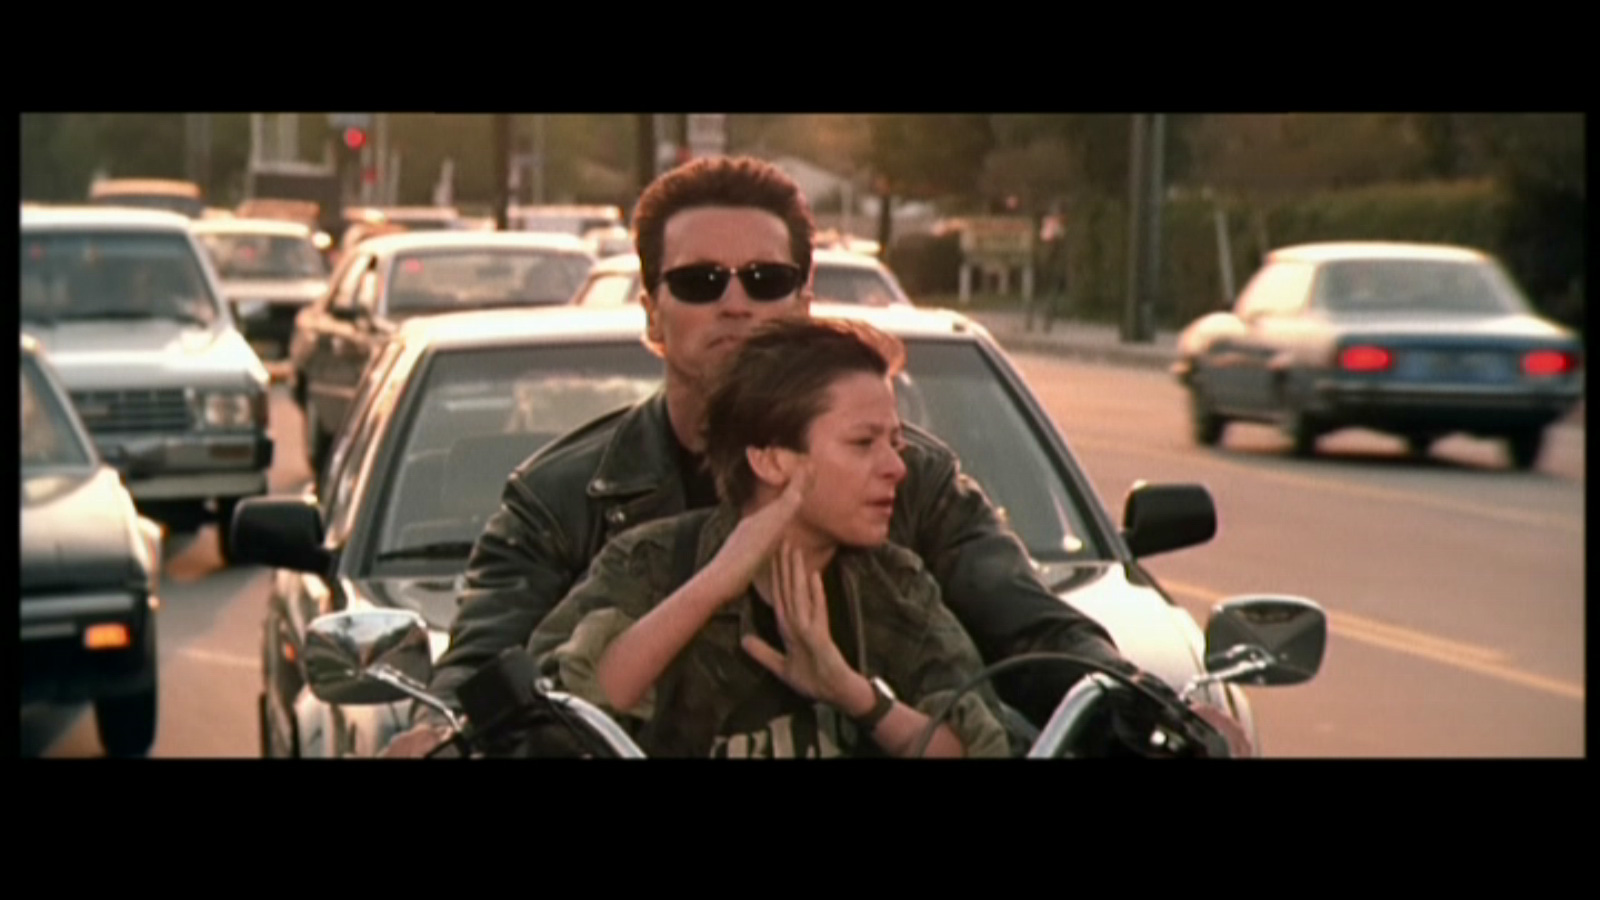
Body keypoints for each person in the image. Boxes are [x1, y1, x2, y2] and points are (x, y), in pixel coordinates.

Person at [382, 155, 1247, 758]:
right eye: (700, 282)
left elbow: (1031, 629)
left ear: (804, 301)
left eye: (765, 280)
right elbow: (488, 677)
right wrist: (440, 733)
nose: (736, 304)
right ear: (651, 313)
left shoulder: (914, 482)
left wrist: (1154, 708)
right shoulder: (563, 497)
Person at [526, 318, 1011, 757]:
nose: (896, 468)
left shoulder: (894, 586)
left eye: (895, 442)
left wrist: (854, 694)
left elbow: (980, 746)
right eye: (863, 443)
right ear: (771, 461)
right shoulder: (650, 561)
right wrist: (712, 585)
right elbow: (555, 714)